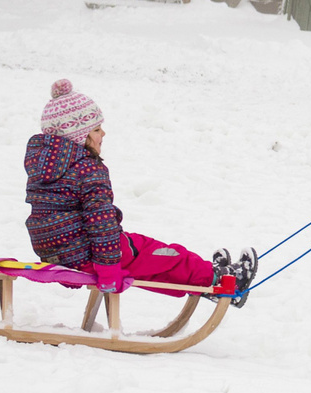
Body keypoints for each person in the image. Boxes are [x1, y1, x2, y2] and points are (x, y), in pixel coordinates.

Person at [26, 79, 259, 305]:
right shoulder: (86, 168)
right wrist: (107, 267)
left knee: (146, 263)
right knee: (166, 256)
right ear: (78, 136)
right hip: (89, 254)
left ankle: (205, 277)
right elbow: (100, 219)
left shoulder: (43, 167)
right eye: (97, 129)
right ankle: (222, 279)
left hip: (59, 253)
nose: (103, 134)